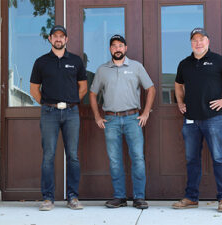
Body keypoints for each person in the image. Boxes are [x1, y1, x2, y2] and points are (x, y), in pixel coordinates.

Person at [173, 28, 222, 213]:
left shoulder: (218, 60)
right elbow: (178, 84)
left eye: (201, 39)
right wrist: (180, 102)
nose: (198, 43)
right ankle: (191, 197)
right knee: (192, 160)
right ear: (191, 43)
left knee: (219, 158)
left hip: (213, 118)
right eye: (195, 40)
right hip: (190, 120)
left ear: (208, 41)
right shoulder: (184, 64)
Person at [89, 34, 156, 209]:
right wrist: (97, 116)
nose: (117, 48)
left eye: (120, 45)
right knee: (115, 160)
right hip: (110, 120)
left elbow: (151, 89)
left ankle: (139, 197)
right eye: (114, 46)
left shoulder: (136, 67)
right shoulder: (102, 70)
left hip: (133, 119)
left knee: (138, 158)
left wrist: (146, 113)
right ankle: (119, 197)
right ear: (110, 49)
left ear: (125, 48)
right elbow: (92, 93)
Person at [30, 25, 87, 211]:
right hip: (49, 113)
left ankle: (73, 197)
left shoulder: (76, 61)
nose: (58, 39)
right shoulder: (41, 62)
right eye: (55, 36)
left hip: (71, 113)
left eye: (62, 36)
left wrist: (72, 102)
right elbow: (34, 90)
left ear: (66, 39)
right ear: (50, 38)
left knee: (73, 156)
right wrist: (48, 104)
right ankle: (48, 198)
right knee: (48, 156)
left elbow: (83, 87)